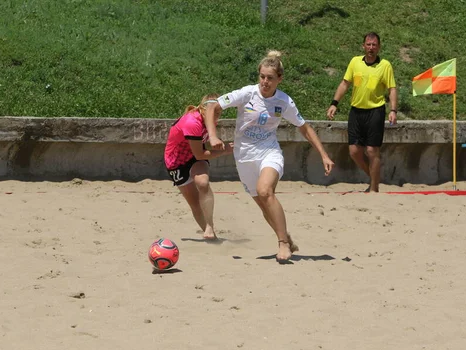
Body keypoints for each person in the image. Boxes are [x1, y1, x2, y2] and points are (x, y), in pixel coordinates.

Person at [204, 50, 335, 263]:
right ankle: (286, 237)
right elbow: (212, 106)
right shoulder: (247, 93)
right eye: (262, 76)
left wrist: (324, 155)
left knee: (266, 191)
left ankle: (282, 244)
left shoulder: (284, 102)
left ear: (279, 79)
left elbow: (304, 128)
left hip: (269, 151)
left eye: (270, 78)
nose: (265, 81)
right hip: (244, 155)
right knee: (264, 204)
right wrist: (212, 135)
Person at [326, 32, 398, 192]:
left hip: (375, 111)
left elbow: (392, 89)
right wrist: (334, 104)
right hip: (356, 111)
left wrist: (393, 110)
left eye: (374, 45)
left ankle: (374, 189)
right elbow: (345, 84)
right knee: (354, 151)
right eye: (368, 44)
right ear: (363, 46)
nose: (371, 48)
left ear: (378, 47)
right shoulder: (355, 62)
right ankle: (374, 178)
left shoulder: (385, 65)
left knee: (372, 150)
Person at [164, 94, 234, 240]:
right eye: (214, 111)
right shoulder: (192, 122)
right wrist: (224, 151)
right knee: (195, 203)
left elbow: (198, 153)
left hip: (194, 157)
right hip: (176, 162)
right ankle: (212, 237)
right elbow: (200, 154)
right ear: (203, 109)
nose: (216, 115)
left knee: (202, 182)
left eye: (219, 111)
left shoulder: (209, 120)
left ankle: (209, 226)